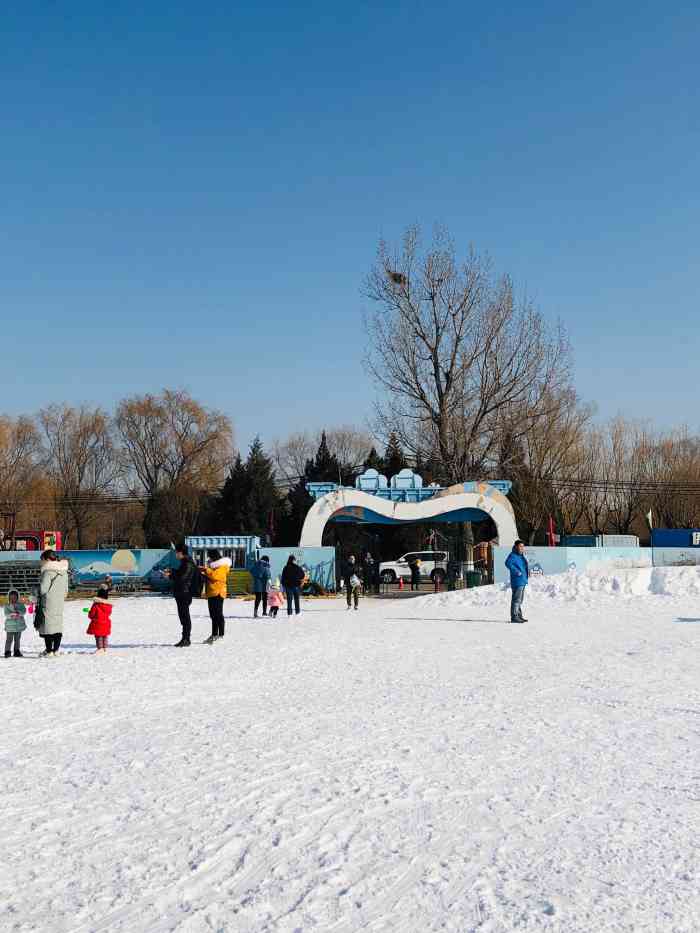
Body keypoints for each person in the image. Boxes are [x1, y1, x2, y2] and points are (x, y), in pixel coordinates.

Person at [163, 544, 198, 647]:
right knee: (183, 616)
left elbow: (182, 578)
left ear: (180, 553)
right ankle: (185, 638)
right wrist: (172, 571)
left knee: (185, 616)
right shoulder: (185, 563)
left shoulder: (188, 563)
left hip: (184, 593)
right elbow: (180, 574)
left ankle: (186, 639)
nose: (175, 554)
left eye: (176, 552)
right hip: (182, 592)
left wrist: (170, 575)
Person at [36, 549, 70, 656]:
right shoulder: (64, 572)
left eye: (42, 560)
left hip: (48, 603)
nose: (41, 562)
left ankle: (49, 650)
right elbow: (66, 590)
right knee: (57, 626)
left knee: (48, 627)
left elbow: (43, 589)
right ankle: (56, 650)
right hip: (59, 602)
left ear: (47, 559)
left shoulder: (47, 572)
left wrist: (37, 587)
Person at [200, 549, 231, 643]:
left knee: (218, 614)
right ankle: (214, 634)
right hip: (212, 592)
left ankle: (220, 634)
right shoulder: (214, 566)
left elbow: (215, 576)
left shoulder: (223, 565)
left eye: (210, 557)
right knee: (213, 615)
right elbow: (211, 576)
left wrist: (206, 570)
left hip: (218, 592)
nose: (209, 559)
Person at [505, 540, 529, 623]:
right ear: (516, 547)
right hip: (517, 580)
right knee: (516, 599)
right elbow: (507, 563)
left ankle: (518, 615)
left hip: (522, 580)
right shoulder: (513, 555)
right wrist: (516, 572)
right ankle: (514, 617)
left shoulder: (521, 556)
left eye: (523, 546)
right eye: (520, 546)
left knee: (519, 600)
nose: (522, 548)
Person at [86, 586, 112, 654]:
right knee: (104, 635)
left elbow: (92, 614)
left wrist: (89, 612)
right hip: (106, 623)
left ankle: (100, 648)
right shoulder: (109, 605)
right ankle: (105, 648)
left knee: (98, 636)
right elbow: (109, 613)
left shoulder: (96, 605)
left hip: (98, 623)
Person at [4, 588, 27, 657]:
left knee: (17, 639)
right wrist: (11, 615)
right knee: (9, 640)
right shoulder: (7, 605)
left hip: (18, 626)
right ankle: (7, 651)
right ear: (9, 597)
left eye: (15, 597)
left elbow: (24, 611)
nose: (13, 599)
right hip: (10, 626)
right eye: (11, 597)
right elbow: (6, 614)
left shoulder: (20, 605)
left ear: (17, 597)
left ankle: (16, 651)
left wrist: (19, 613)